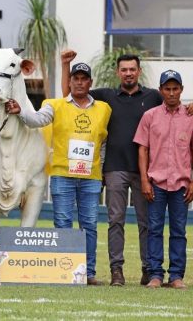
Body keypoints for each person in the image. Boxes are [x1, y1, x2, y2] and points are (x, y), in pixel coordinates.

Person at [59, 50, 162, 286]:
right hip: (114, 169)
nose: (128, 73)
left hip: (146, 171)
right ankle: (117, 271)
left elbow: (173, 106)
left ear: (139, 72)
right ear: (118, 72)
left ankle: (149, 269)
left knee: (147, 223)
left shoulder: (154, 97)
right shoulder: (105, 96)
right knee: (116, 221)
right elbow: (69, 94)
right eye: (124, 70)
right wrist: (66, 65)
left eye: (132, 69)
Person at [9, 62, 112, 286]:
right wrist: (21, 112)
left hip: (91, 177)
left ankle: (89, 271)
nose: (79, 82)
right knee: (63, 222)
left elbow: (102, 143)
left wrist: (100, 170)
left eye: (84, 78)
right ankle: (67, 271)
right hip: (62, 174)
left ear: (90, 83)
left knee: (90, 225)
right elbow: (37, 119)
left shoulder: (104, 109)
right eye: (75, 78)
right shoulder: (54, 105)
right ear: (70, 81)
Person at [134, 70, 193, 289]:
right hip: (155, 183)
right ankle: (155, 275)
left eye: (175, 88)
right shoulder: (150, 116)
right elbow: (142, 150)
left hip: (182, 185)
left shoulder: (192, 116)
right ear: (161, 91)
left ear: (182, 90)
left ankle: (176, 276)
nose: (172, 92)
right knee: (154, 229)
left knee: (179, 231)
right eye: (167, 88)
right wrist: (145, 181)